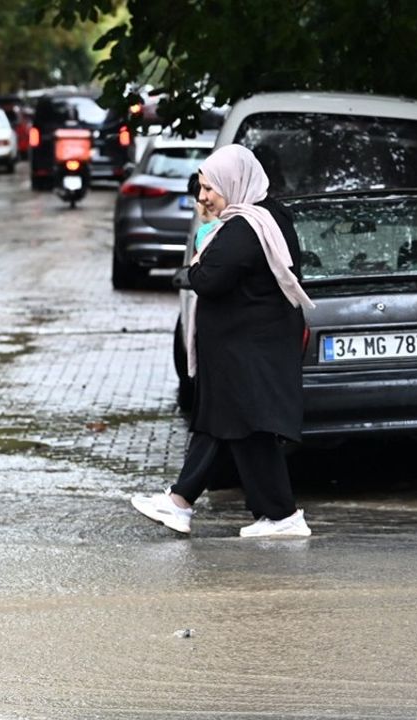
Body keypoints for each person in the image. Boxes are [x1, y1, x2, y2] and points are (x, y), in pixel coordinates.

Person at [132, 144, 315, 538]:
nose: (203, 198)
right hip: (247, 347)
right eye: (201, 188)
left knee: (235, 425)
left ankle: (188, 504)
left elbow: (209, 279)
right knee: (234, 426)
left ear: (233, 183)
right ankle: (275, 515)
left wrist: (195, 263)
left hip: (244, 349)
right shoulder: (269, 217)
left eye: (209, 188)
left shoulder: (245, 227)